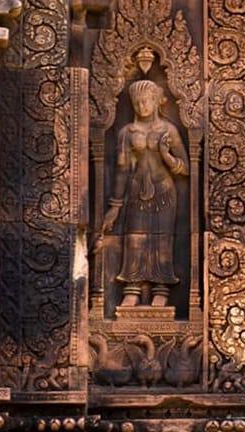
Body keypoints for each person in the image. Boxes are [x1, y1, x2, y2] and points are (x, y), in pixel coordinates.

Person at [100, 79, 188, 307]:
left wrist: (166, 154)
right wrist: (114, 206)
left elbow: (186, 167)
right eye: (137, 103)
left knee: (162, 239)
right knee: (135, 238)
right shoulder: (126, 132)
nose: (142, 107)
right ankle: (132, 288)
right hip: (137, 190)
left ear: (156, 101)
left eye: (146, 102)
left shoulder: (169, 130)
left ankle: (161, 288)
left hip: (164, 190)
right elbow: (122, 171)